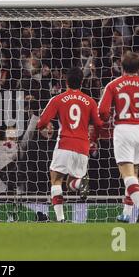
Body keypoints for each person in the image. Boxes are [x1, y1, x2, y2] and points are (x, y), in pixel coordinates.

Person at [98, 51, 139, 223]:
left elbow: (103, 111)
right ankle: (126, 214)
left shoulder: (113, 85)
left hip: (124, 129)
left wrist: (103, 119)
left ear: (121, 66)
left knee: (126, 173)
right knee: (134, 173)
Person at [37, 68, 103, 222]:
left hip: (64, 144)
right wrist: (94, 137)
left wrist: (42, 127)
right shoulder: (91, 101)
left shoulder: (58, 99)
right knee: (71, 183)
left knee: (56, 180)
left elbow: (41, 123)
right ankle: (80, 183)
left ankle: (60, 219)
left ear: (66, 81)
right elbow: (99, 123)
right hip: (83, 147)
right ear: (82, 82)